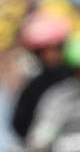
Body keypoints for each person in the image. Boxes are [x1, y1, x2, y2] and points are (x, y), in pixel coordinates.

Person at [11, 10, 72, 143]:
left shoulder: (76, 79)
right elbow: (20, 124)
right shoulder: (34, 87)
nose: (50, 56)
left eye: (55, 49)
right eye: (45, 51)